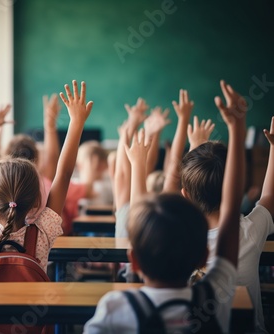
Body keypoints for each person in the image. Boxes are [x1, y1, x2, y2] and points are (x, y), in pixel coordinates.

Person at [84, 80, 246, 333]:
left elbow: (229, 209)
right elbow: (231, 209)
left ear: (134, 260)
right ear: (203, 256)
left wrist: (237, 129)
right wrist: (237, 130)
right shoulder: (216, 297)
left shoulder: (115, 308)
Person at [0, 80, 92, 272]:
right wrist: (76, 123)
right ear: (38, 200)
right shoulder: (42, 234)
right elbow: (63, 174)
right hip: (34, 303)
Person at [181, 107, 274, 331]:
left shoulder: (178, 239)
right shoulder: (249, 232)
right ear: (237, 190)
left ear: (185, 196)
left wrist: (196, 146)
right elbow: (269, 197)